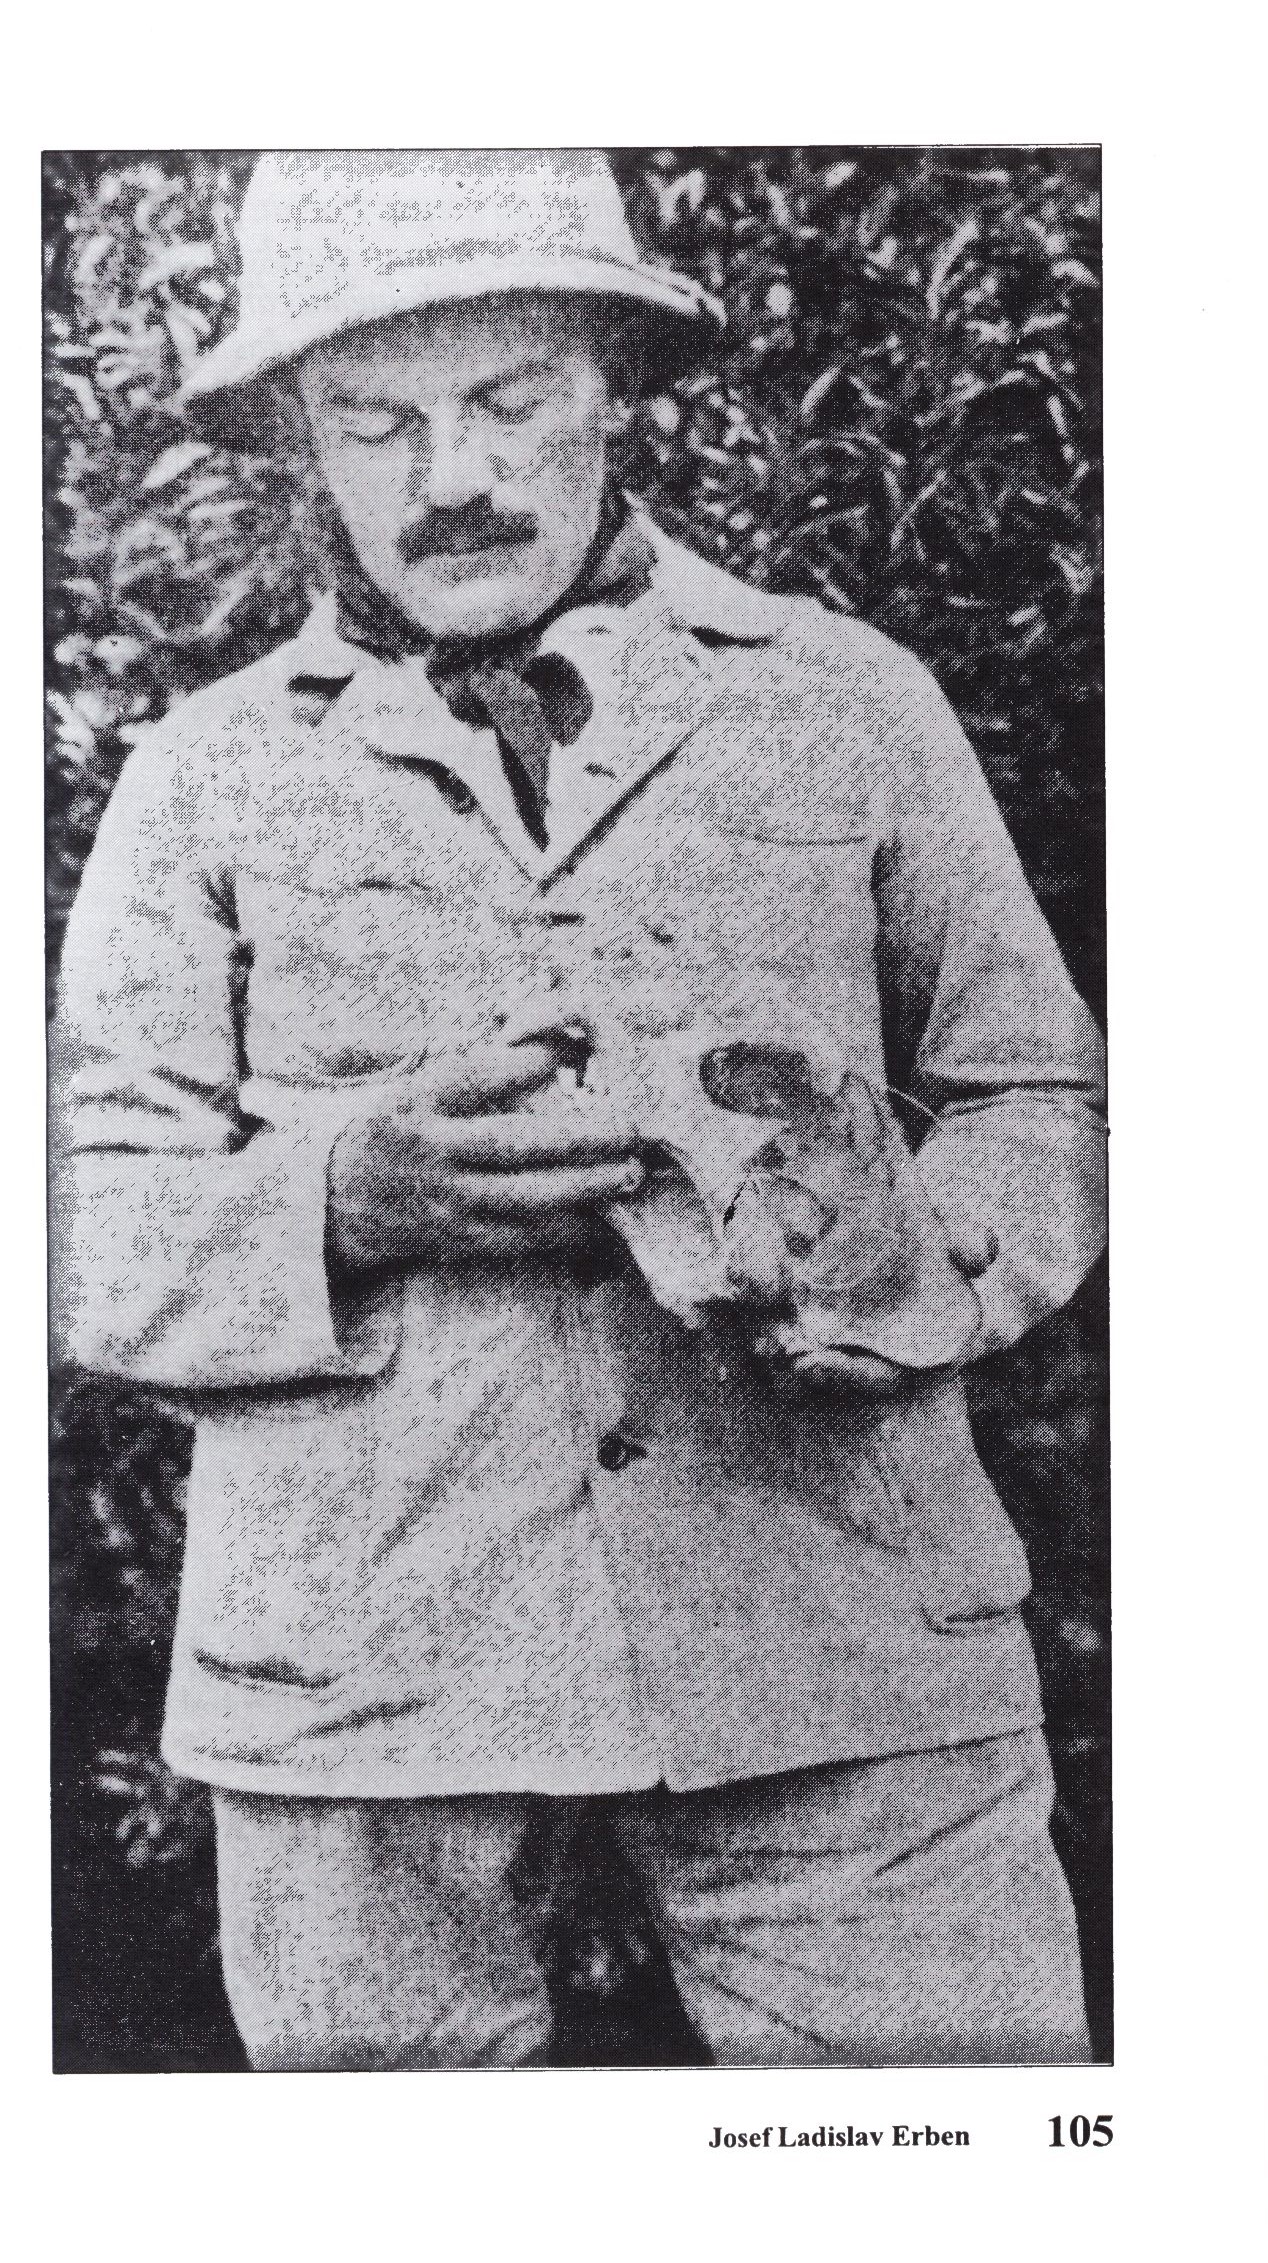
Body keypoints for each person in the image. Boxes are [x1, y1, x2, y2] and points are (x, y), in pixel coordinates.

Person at [55, 150, 1107, 2070]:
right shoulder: (199, 778)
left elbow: (1035, 1092)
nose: (449, 476)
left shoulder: (845, 701)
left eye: (510, 398)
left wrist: (913, 1261)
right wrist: (344, 1199)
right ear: (305, 443)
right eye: (375, 421)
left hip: (839, 1631)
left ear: (615, 386)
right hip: (361, 1685)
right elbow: (80, 1225)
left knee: (951, 2160)